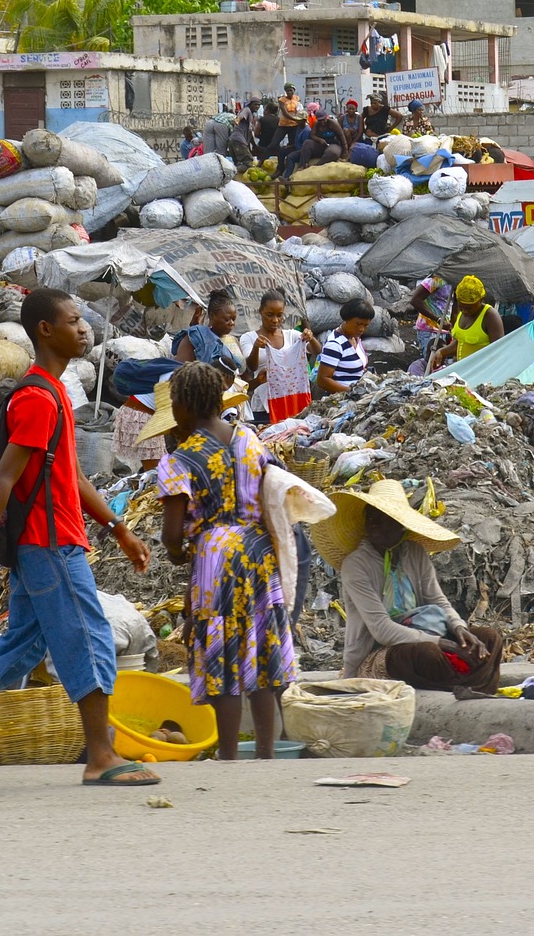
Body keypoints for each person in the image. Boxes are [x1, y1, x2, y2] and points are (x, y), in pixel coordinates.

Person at [0, 289, 161, 787]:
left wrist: (119, 527)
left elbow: (71, 476)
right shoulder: (38, 398)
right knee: (89, 638)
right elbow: (4, 478)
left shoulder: (54, 393)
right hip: (49, 544)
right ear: (45, 329)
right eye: (74, 320)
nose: (83, 328)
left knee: (19, 647)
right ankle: (101, 756)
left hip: (46, 544)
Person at [156, 363, 295, 760]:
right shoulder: (250, 440)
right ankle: (267, 752)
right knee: (260, 647)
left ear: (183, 406)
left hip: (215, 558)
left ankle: (230, 755)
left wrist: (178, 553)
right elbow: (274, 487)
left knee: (225, 655)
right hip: (259, 550)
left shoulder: (180, 460)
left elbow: (171, 534)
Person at [317, 479, 503, 694]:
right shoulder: (356, 565)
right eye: (370, 517)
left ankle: (467, 686)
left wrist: (459, 628)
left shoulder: (415, 553)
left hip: (430, 636)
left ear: (401, 524)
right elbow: (381, 629)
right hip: (382, 652)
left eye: (382, 518)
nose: (374, 524)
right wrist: (441, 643)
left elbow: (438, 601)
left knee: (489, 638)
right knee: (426, 653)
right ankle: (466, 685)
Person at [245, 289, 318, 424]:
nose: (275, 320)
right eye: (270, 315)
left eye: (279, 315)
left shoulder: (292, 336)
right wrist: (256, 347)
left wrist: (311, 338)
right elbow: (251, 366)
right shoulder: (249, 338)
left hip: (293, 402)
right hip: (264, 406)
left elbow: (317, 350)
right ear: (260, 311)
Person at [429, 275, 503, 372]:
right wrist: (442, 352)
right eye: (461, 307)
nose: (464, 311)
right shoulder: (461, 314)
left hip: (481, 372)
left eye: (469, 308)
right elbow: (460, 342)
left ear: (481, 300)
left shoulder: (490, 316)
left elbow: (498, 351)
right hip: (461, 371)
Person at [316, 299, 374, 396]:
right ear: (347, 319)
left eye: (366, 325)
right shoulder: (335, 344)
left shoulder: (355, 338)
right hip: (341, 398)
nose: (361, 329)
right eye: (358, 324)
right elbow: (323, 380)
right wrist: (351, 393)